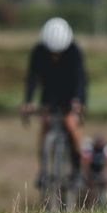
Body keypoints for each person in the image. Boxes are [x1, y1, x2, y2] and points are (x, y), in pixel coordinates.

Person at [20, 17, 88, 185]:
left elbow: (80, 79)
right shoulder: (38, 51)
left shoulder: (74, 51)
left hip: (72, 93)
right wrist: (28, 101)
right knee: (45, 124)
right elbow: (32, 78)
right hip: (49, 92)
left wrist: (78, 101)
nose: (55, 55)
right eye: (52, 52)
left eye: (59, 52)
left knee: (70, 124)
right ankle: (43, 171)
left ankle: (77, 170)